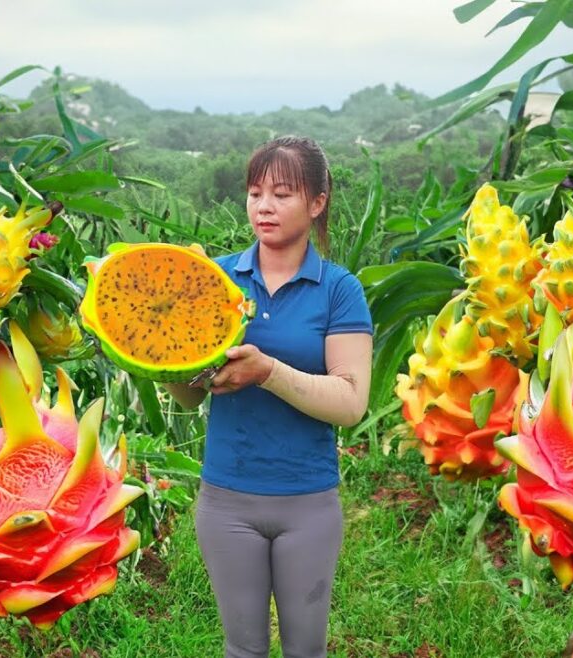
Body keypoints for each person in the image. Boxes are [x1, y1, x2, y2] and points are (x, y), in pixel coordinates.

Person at [163, 135, 373, 658]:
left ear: (317, 202)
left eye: (282, 193)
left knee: (307, 651)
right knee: (243, 651)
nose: (264, 206)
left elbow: (350, 403)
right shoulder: (216, 278)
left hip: (308, 502)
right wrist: (158, 342)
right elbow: (188, 398)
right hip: (226, 499)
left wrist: (268, 372)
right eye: (256, 192)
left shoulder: (338, 289)